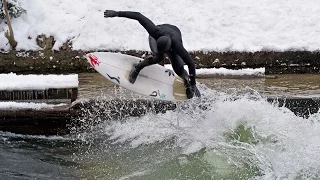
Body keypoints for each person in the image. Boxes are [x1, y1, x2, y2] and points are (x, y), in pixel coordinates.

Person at [104, 10, 200, 99]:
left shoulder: (177, 47)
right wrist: (117, 13)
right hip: (158, 36)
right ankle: (137, 68)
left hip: (174, 33)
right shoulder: (155, 31)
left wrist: (192, 83)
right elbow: (138, 16)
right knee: (158, 57)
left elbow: (190, 64)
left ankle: (187, 83)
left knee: (179, 69)